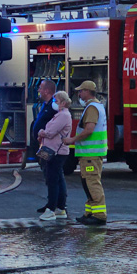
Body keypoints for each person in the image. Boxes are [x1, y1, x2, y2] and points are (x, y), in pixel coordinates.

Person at [62, 80, 108, 225]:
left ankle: (99, 215)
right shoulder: (96, 106)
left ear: (87, 92)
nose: (79, 94)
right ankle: (90, 212)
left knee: (92, 182)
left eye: (81, 91)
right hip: (90, 154)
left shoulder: (92, 108)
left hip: (90, 154)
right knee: (87, 182)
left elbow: (89, 130)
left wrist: (72, 140)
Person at [37, 91, 72, 220]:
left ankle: (51, 209)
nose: (54, 103)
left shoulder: (63, 115)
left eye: (56, 101)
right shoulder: (60, 114)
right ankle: (60, 208)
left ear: (63, 102)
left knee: (52, 180)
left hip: (55, 152)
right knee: (58, 179)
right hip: (53, 150)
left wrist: (41, 132)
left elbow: (50, 132)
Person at [30, 79, 57, 212]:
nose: (38, 90)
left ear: (47, 91)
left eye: (40, 88)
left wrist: (41, 133)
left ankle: (56, 205)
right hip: (44, 146)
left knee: (53, 175)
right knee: (47, 174)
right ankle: (51, 203)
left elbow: (54, 128)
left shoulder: (53, 106)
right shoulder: (47, 105)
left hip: (50, 148)